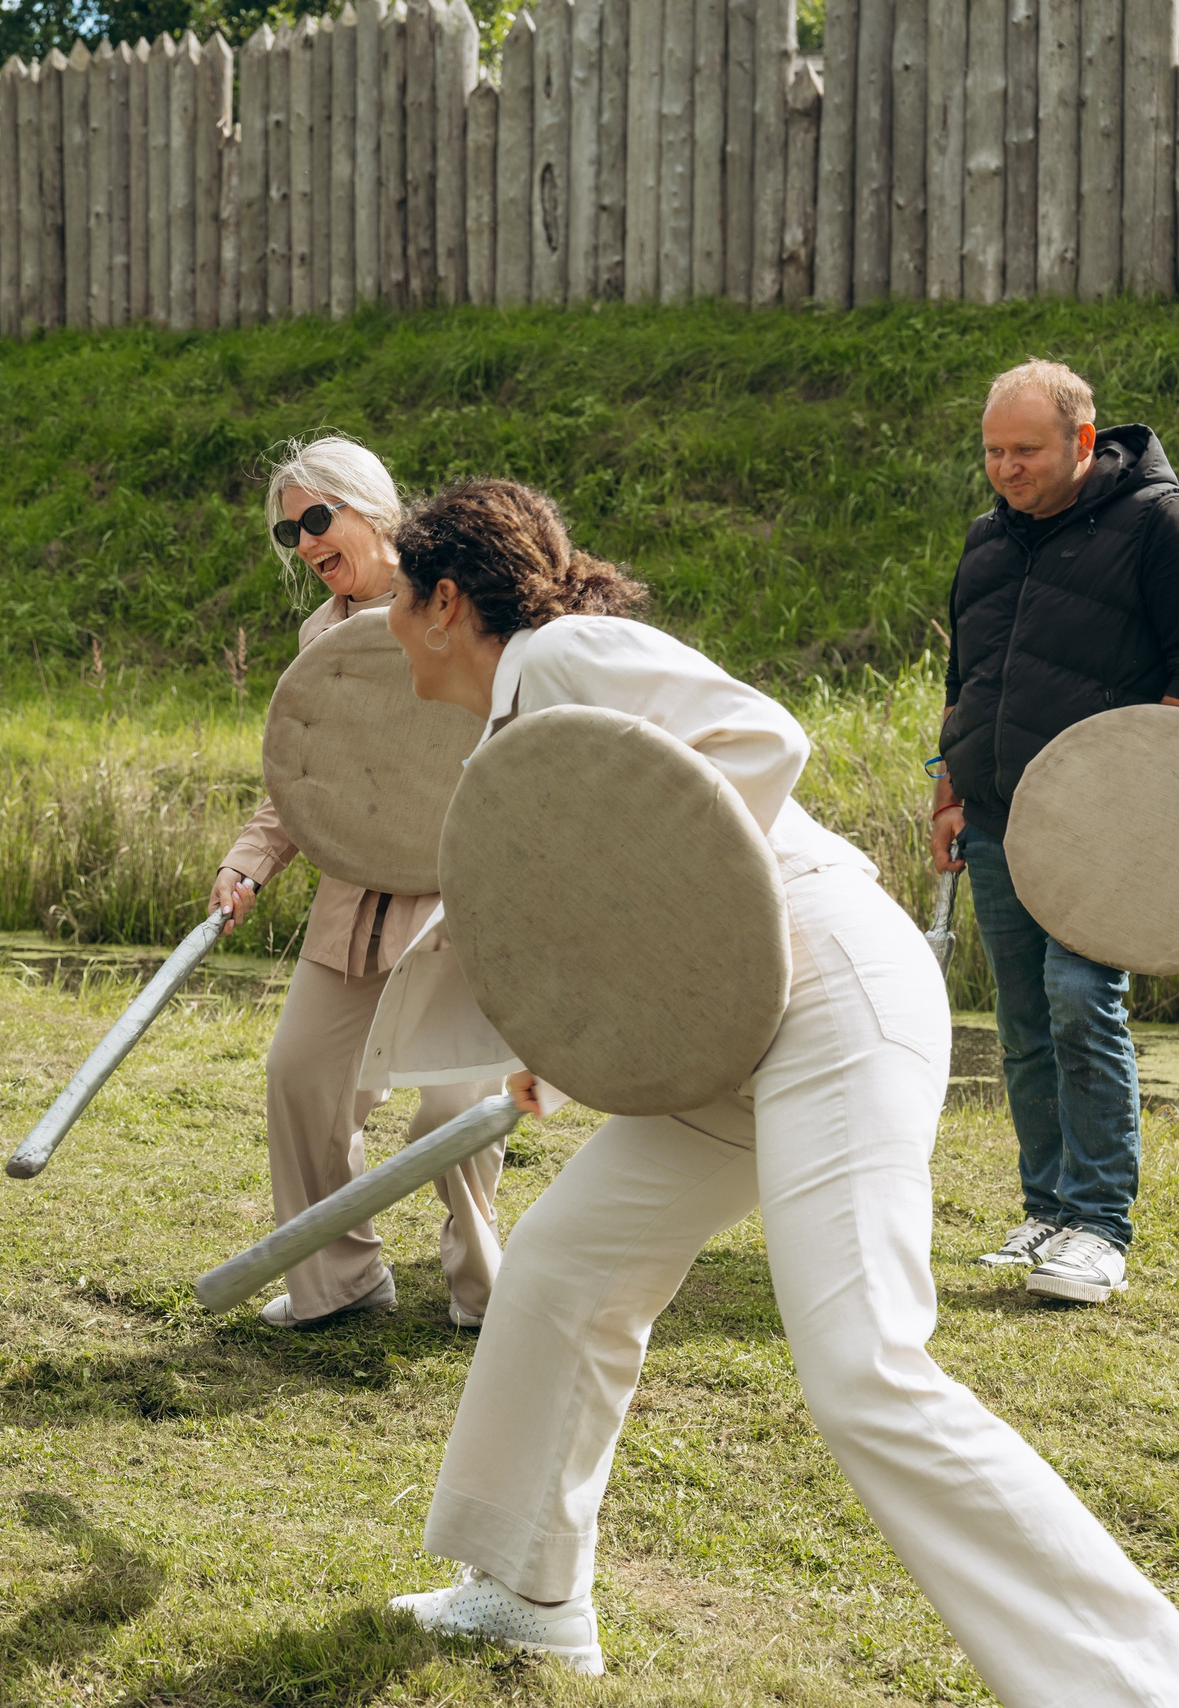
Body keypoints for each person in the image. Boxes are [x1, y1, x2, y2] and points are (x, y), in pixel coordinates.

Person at [375, 480, 1179, 1699]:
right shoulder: (525, 702)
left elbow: (761, 742)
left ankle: (1136, 1676)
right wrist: (583, 1025)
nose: (383, 622)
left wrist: (679, 945)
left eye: (395, 594)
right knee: (564, 1265)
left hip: (827, 991)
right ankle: (529, 1594)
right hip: (733, 1020)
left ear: (445, 600)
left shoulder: (566, 650)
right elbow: (616, 876)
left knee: (864, 1369)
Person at [210, 436, 504, 1331]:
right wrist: (248, 861)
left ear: (370, 506)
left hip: (456, 895)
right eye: (288, 532)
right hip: (354, 897)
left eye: (314, 518)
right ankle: (337, 1283)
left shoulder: (465, 602)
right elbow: (305, 778)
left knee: (453, 1107)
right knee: (301, 1076)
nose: (303, 544)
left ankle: (487, 1291)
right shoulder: (320, 636)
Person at [931, 359, 1179, 1305]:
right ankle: (1045, 1214)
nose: (1006, 468)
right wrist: (948, 791)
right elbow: (967, 684)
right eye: (993, 450)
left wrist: (1145, 815)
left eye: (1025, 450)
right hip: (996, 817)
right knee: (1026, 1025)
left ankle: (1101, 1228)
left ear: (1083, 442)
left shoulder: (1158, 524)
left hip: (1105, 830)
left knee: (1082, 1000)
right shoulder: (988, 541)